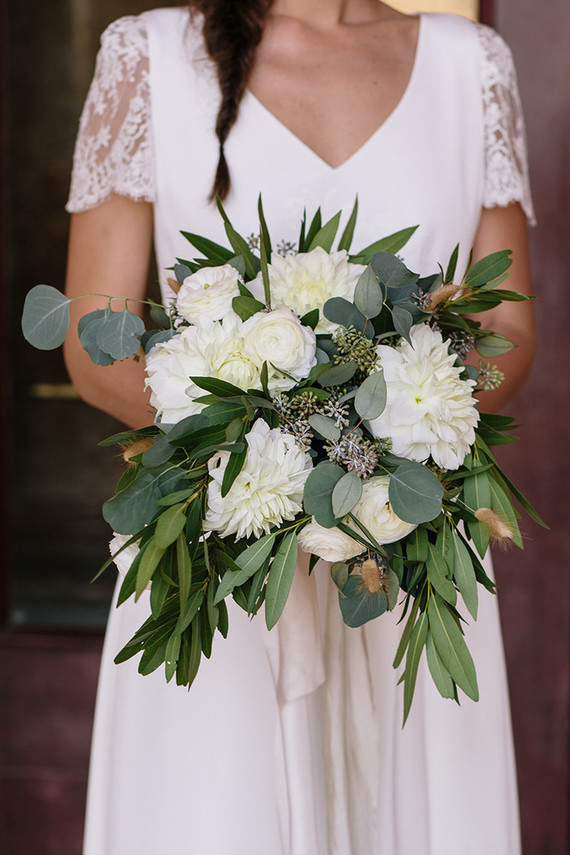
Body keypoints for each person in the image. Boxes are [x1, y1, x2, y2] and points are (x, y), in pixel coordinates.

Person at [63, 2, 536, 854]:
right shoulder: (149, 58)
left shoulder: (473, 68)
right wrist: (273, 463)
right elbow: (93, 344)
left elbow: (508, 332)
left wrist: (381, 458)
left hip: (409, 559)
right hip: (216, 555)